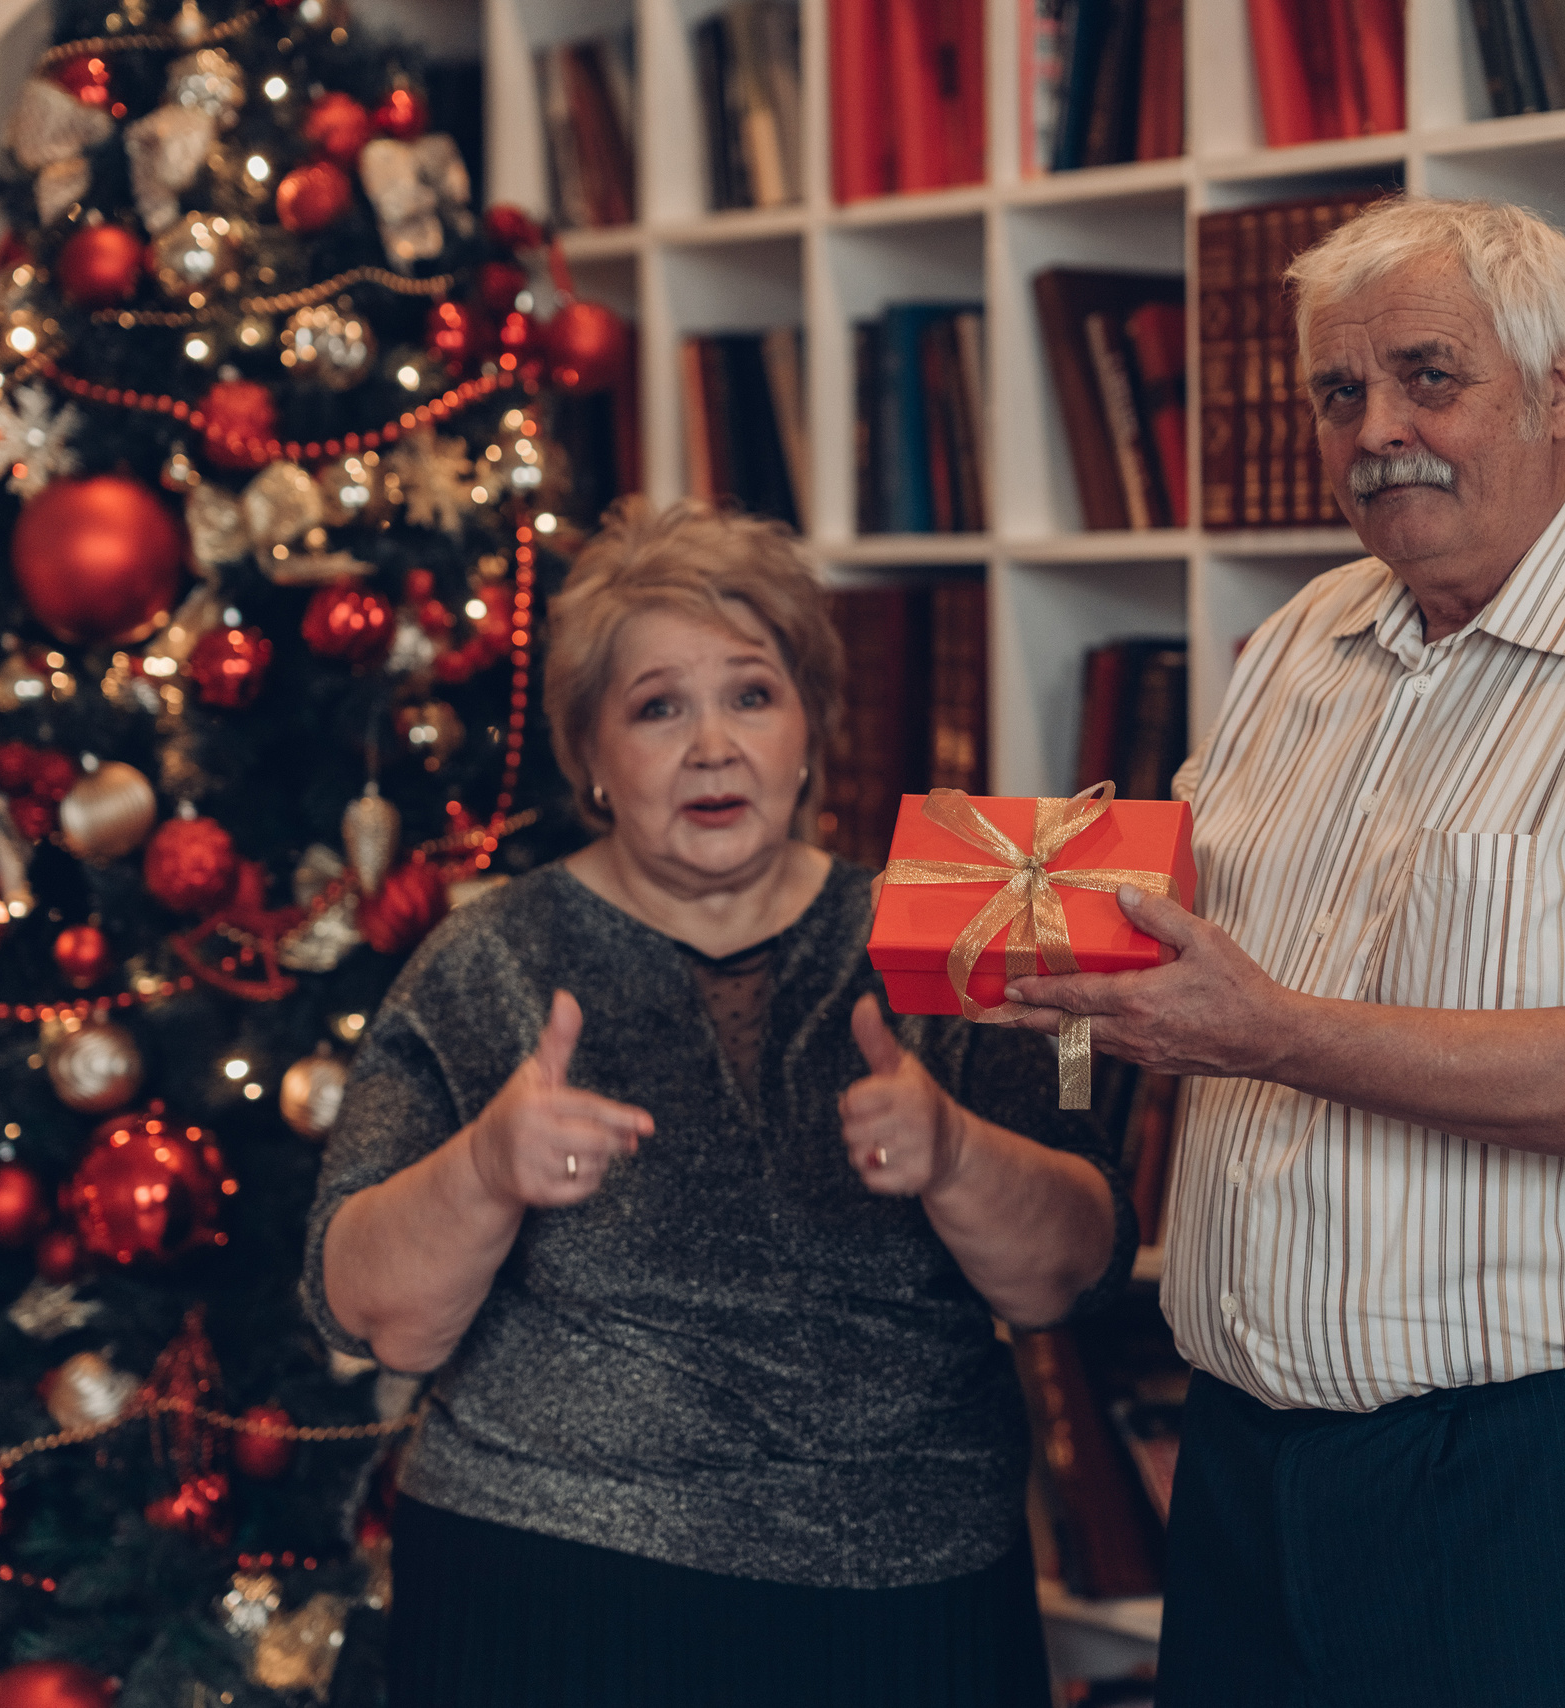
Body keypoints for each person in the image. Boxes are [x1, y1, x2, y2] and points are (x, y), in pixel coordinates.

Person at [999, 196, 1565, 1706]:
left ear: (1562, 384)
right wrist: (1019, 946)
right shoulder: (1306, 640)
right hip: (1253, 1461)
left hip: (1545, 1472)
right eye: (1341, 392)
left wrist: (1267, 1031)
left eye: (1428, 376)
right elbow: (1180, 947)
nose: (1379, 427)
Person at [301, 499, 1132, 1708]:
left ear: (811, 728)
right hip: (558, 1591)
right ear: (591, 755)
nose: (712, 746)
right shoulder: (488, 959)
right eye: (656, 707)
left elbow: (1071, 1272)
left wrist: (956, 1154)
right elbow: (372, 1313)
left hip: (910, 1594)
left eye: (751, 694)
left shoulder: (948, 927)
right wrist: (484, 1171)